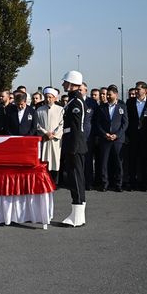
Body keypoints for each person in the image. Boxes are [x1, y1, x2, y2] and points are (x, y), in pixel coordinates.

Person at [60, 71, 87, 227]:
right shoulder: (73, 100)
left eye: (65, 82)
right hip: (73, 144)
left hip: (74, 145)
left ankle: (76, 216)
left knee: (76, 178)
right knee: (77, 178)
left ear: (72, 84)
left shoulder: (76, 102)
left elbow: (76, 128)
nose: (63, 84)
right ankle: (78, 214)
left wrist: (73, 148)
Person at [125, 81, 147, 191]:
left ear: (145, 90)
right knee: (132, 160)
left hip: (146, 137)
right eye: (136, 89)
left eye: (138, 89)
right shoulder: (129, 102)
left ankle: (144, 183)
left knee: (145, 160)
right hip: (133, 136)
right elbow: (127, 120)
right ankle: (132, 183)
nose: (136, 91)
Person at [95, 85, 128, 192]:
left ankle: (118, 184)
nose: (108, 96)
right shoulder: (101, 108)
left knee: (119, 163)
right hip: (105, 139)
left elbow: (125, 123)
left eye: (110, 94)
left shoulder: (122, 107)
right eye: (107, 94)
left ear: (116, 95)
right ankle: (105, 184)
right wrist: (105, 134)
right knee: (104, 163)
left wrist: (117, 135)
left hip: (118, 140)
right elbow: (98, 124)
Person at [36, 87, 64, 182]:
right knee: (45, 160)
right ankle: (44, 181)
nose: (48, 99)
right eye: (46, 97)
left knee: (55, 160)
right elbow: (37, 125)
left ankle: (55, 181)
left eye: (50, 97)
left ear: (55, 98)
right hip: (45, 139)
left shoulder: (60, 110)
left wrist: (54, 134)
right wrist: (45, 133)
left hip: (55, 140)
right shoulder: (39, 110)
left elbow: (62, 124)